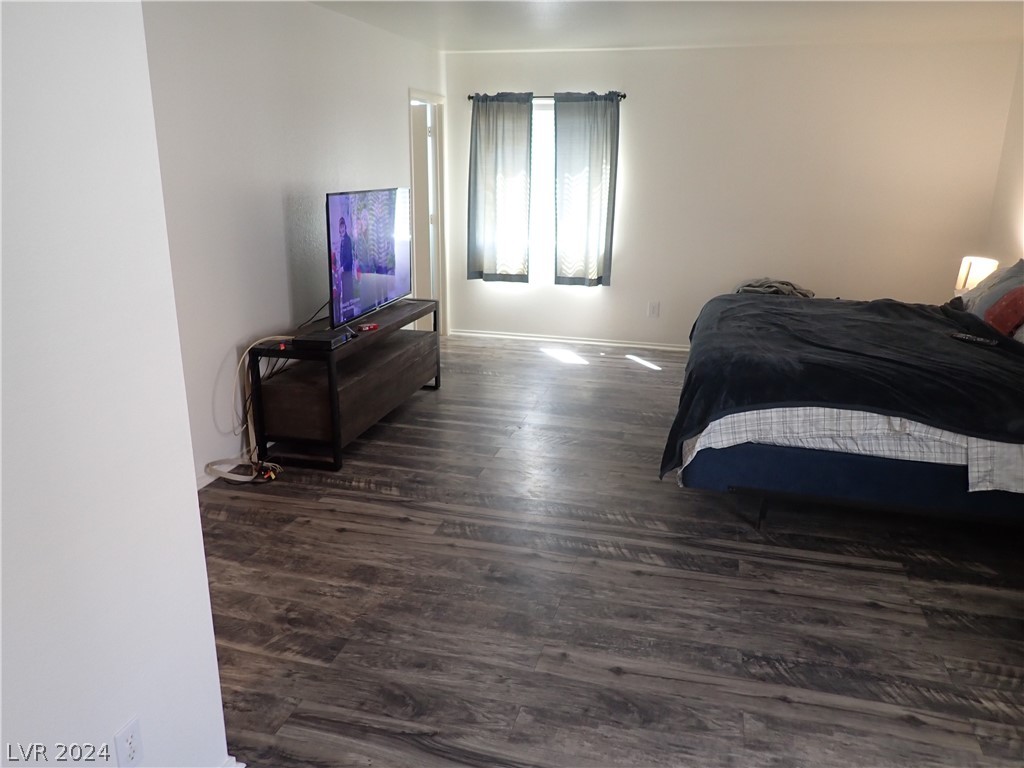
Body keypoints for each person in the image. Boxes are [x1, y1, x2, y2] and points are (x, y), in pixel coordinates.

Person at [336, 217, 356, 319]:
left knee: (348, 295)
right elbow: (342, 258)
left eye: (343, 226)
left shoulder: (347, 240)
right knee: (345, 295)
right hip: (344, 273)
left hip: (347, 272)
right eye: (340, 226)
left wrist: (342, 269)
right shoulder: (342, 239)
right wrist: (339, 267)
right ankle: (346, 317)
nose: (342, 228)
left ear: (345, 227)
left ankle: (349, 316)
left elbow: (349, 259)